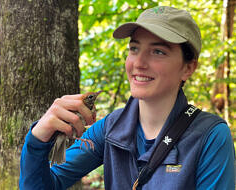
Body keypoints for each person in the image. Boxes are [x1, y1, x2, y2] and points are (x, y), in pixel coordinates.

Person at [19, 6, 235, 190]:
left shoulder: (210, 136)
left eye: (158, 51)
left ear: (188, 68)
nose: (138, 63)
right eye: (134, 48)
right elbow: (49, 183)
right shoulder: (111, 128)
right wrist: (38, 140)